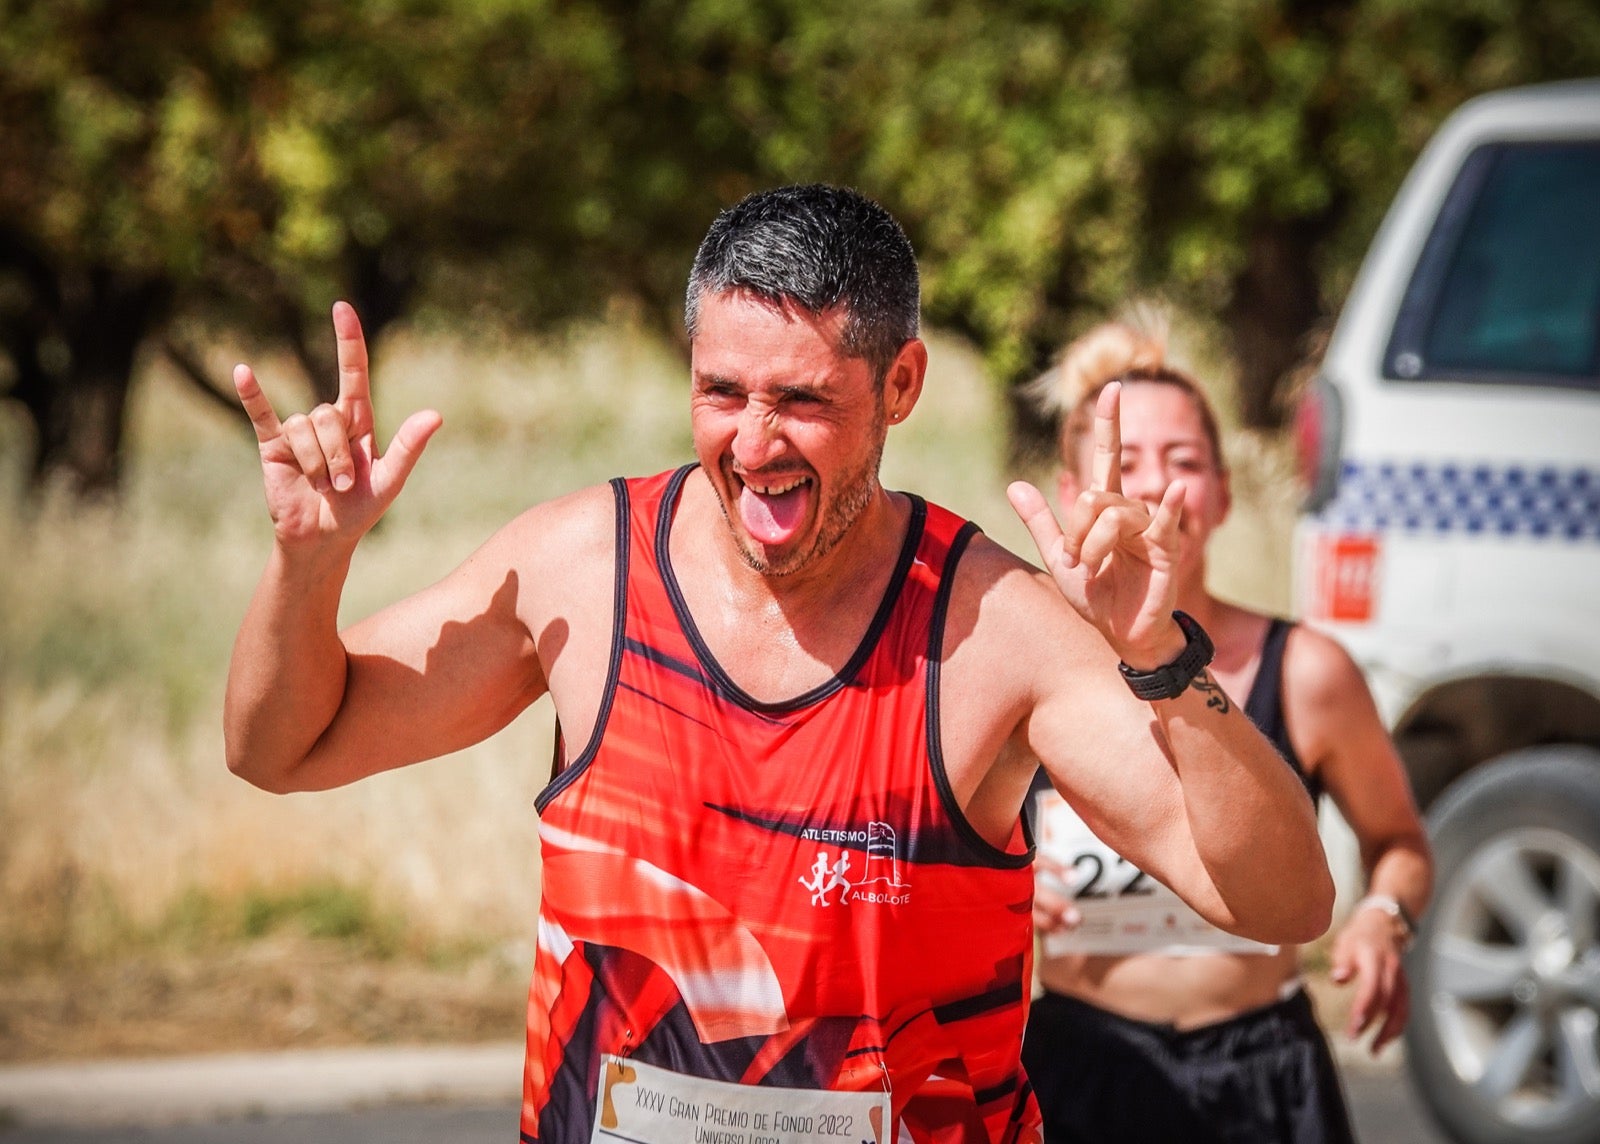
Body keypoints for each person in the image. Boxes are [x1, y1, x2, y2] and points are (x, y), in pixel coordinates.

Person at [223, 185, 1333, 1144]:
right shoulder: (582, 571)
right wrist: (308, 566)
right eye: (722, 392)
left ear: (900, 386)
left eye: (803, 401)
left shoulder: (995, 630)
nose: (754, 446)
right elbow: (281, 748)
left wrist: (1155, 654)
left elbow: (1283, 899)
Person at [1020, 320, 1433, 1144]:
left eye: (1183, 461)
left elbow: (1401, 842)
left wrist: (1383, 917)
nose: (1152, 485)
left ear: (1223, 492)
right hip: (1079, 1068)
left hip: (1261, 1073)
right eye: (1126, 461)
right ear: (1074, 493)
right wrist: (1006, 893)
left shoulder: (1307, 670)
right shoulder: (1026, 669)